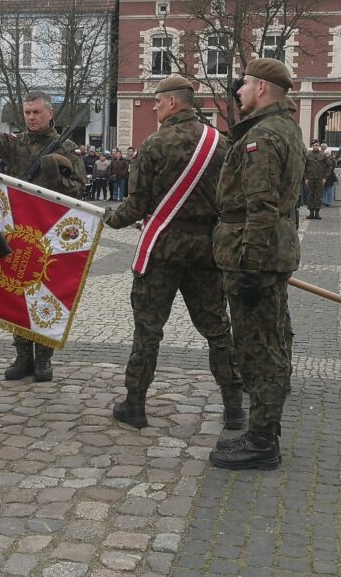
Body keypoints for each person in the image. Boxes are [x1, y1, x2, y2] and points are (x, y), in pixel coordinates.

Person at [103, 75, 243, 431]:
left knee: (148, 330)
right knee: (217, 329)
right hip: (205, 251)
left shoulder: (154, 144)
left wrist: (110, 220)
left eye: (157, 101)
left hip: (163, 250)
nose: (153, 107)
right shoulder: (222, 144)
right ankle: (233, 406)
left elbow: (136, 205)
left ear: (173, 103)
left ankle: (135, 405)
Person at [208, 58, 304, 471]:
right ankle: (265, 430)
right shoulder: (285, 128)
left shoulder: (261, 137)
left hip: (255, 254)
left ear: (262, 88)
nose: (239, 91)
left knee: (258, 349)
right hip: (268, 252)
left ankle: (263, 441)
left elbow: (260, 208)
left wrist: (249, 264)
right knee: (274, 339)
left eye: (244, 84)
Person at [0, 92, 85, 383]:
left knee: (45, 290)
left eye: (36, 112)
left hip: (51, 233)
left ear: (50, 113)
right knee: (17, 287)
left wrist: (55, 174)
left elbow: (79, 190)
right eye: (27, 112)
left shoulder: (67, 147)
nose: (31, 118)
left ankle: (43, 357)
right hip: (19, 229)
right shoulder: (15, 144)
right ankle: (22, 355)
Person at [303, 140, 331, 219]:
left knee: (318, 196)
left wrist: (325, 178)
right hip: (310, 178)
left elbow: (329, 166)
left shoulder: (323, 155)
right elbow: (304, 167)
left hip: (320, 179)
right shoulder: (308, 155)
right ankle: (311, 213)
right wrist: (305, 178)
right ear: (311, 146)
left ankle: (317, 213)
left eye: (316, 145)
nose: (315, 146)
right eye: (313, 145)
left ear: (318, 146)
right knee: (310, 195)